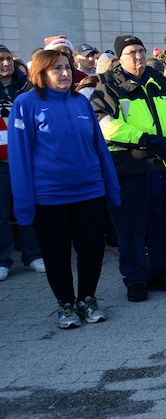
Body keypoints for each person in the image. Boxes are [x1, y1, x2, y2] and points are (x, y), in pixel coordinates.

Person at [8, 49, 121, 327]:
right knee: (56, 254)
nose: (65, 73)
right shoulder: (26, 104)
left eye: (67, 67)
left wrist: (112, 187)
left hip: (90, 192)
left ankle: (87, 299)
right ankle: (66, 305)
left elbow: (99, 148)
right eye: (56, 68)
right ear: (40, 73)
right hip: (50, 197)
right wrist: (24, 206)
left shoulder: (81, 102)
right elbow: (19, 158)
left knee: (92, 249)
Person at [91, 35, 166, 302]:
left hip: (165, 164)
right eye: (130, 52)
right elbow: (104, 124)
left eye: (140, 50)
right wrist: (145, 139)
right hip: (131, 166)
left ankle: (161, 272)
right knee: (131, 227)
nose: (137, 56)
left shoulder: (164, 82)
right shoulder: (108, 88)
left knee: (165, 223)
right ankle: (136, 278)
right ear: (120, 58)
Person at [0, 43, 47, 280]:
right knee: (1, 212)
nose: (6, 63)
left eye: (8, 58)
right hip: (0, 163)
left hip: (26, 158)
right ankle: (2, 260)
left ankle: (33, 254)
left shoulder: (28, 87)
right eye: (0, 59)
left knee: (27, 207)